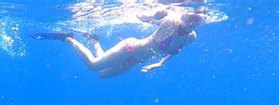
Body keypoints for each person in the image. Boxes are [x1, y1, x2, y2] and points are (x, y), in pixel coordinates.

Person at [31, 8, 206, 78]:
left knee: (103, 75)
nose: (191, 23)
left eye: (197, 20)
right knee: (93, 66)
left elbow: (174, 50)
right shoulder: (171, 22)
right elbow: (146, 17)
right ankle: (67, 38)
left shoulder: (192, 37)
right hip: (129, 49)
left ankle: (94, 40)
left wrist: (159, 64)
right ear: (183, 15)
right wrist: (153, 15)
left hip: (136, 60)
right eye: (189, 18)